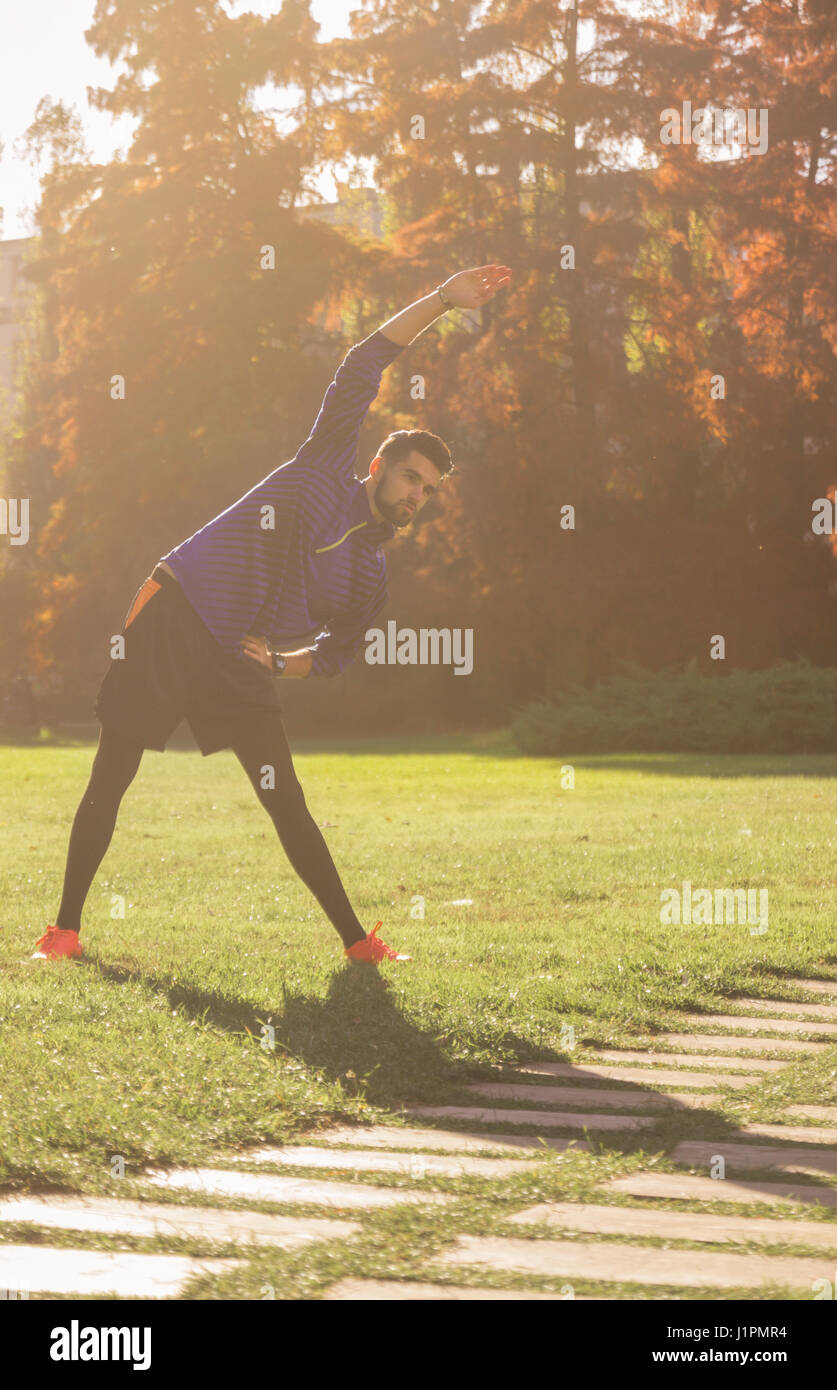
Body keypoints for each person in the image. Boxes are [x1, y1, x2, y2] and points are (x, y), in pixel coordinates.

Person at [32, 264, 512, 967]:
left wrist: (287, 662)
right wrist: (443, 300)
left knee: (284, 797)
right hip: (179, 615)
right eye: (411, 477)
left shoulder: (368, 572)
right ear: (378, 468)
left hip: (240, 655)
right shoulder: (323, 465)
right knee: (114, 775)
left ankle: (358, 943)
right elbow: (363, 360)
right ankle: (64, 933)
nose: (418, 495)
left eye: (429, 490)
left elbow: (340, 649)